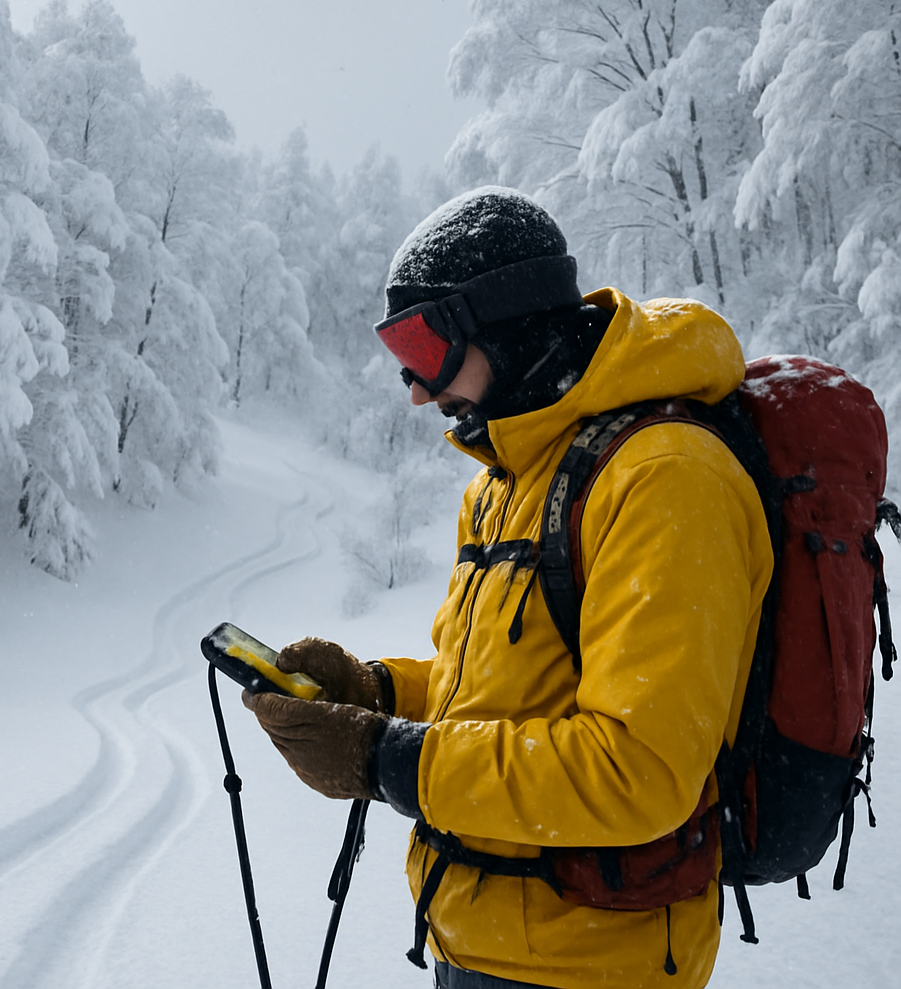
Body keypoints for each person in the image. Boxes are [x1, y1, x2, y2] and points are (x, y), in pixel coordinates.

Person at [244, 187, 774, 989]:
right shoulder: (508, 479)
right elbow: (502, 693)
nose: (415, 390)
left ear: (508, 321)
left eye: (425, 348)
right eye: (400, 356)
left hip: (592, 967)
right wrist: (374, 691)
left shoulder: (665, 478)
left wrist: (383, 759)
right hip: (476, 942)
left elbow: (640, 771)